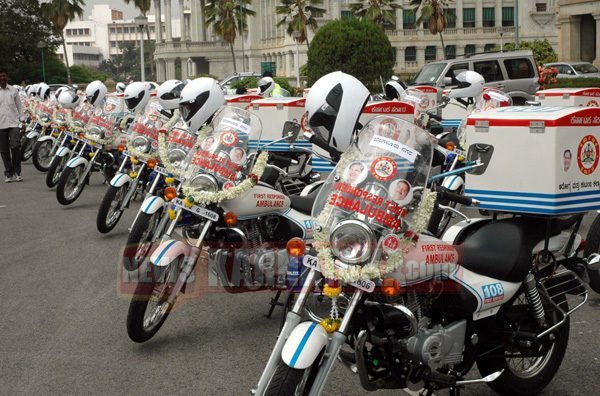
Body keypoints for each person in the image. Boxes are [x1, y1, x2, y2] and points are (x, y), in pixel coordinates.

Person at [0, 70, 24, 182]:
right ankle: (8, 173)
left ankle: (17, 172)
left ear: (7, 77)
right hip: (1, 125)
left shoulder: (14, 90)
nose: (2, 78)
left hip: (13, 123)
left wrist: (22, 119)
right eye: (0, 76)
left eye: (4, 76)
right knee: (4, 151)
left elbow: (19, 105)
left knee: (15, 148)